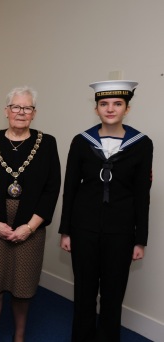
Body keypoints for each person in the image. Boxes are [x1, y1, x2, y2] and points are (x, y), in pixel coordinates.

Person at [59, 80, 153, 342]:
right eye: (104, 104)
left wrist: (140, 239)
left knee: (113, 295)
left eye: (117, 104)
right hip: (83, 229)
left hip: (121, 232)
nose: (110, 109)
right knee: (84, 293)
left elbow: (142, 195)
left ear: (127, 108)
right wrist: (66, 231)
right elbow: (70, 189)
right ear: (96, 108)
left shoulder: (142, 144)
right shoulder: (81, 141)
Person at [0, 86, 61, 342]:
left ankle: (19, 337)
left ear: (34, 113)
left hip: (30, 227)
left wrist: (29, 228)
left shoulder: (47, 143)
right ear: (6, 110)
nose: (21, 112)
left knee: (23, 289)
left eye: (27, 108)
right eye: (16, 107)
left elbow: (51, 191)